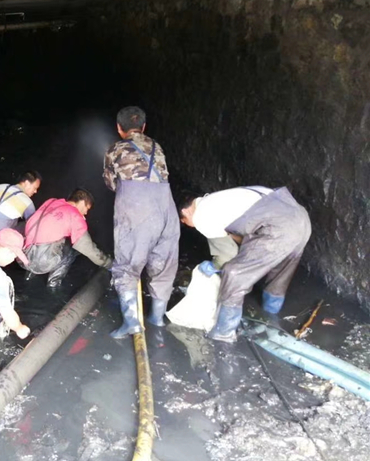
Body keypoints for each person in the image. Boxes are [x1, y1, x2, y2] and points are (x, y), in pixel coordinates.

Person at [179, 186, 311, 342]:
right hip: (300, 219)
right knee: (281, 271)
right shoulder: (217, 199)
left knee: (233, 273)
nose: (187, 224)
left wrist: (213, 266)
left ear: (186, 212)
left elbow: (226, 257)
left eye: (184, 221)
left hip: (277, 230)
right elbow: (242, 234)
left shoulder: (201, 217)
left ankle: (224, 332)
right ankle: (270, 315)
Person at [104, 106, 179, 338]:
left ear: (119, 128)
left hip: (136, 208)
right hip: (167, 207)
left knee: (127, 265)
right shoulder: (158, 147)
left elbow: (110, 183)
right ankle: (156, 318)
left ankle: (132, 323)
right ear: (144, 127)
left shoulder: (115, 149)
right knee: (164, 262)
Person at [21, 188, 112, 287]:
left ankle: (29, 276)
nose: (86, 213)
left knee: (46, 237)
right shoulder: (74, 215)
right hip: (41, 262)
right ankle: (53, 284)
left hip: (23, 256)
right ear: (82, 202)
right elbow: (88, 249)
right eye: (87, 208)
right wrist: (109, 264)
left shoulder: (51, 201)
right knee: (73, 249)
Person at [0, 171, 42, 244]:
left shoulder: (0, 186)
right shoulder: (27, 201)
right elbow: (33, 225)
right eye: (35, 188)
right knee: (27, 224)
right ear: (27, 183)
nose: (35, 191)